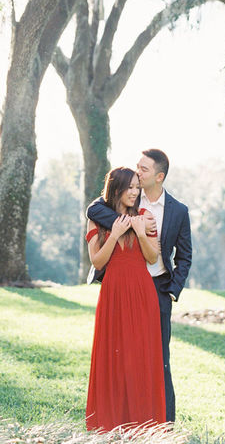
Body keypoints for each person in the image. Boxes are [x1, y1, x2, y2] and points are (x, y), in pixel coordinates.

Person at [87, 148, 192, 423]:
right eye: (135, 172)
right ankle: (115, 418)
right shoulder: (117, 204)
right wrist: (125, 227)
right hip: (118, 286)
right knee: (116, 355)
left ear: (159, 176)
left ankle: (161, 423)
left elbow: (182, 255)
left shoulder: (176, 210)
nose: (138, 176)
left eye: (143, 171)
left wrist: (172, 289)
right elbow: (95, 209)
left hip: (156, 287)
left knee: (157, 359)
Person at [85, 166, 166, 431]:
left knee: (139, 358)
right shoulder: (97, 219)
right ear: (116, 188)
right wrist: (115, 235)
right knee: (112, 357)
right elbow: (97, 261)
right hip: (112, 293)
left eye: (137, 187)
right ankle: (110, 424)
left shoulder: (145, 216)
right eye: (129, 187)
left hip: (142, 293)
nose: (135, 192)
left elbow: (152, 258)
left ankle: (143, 426)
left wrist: (141, 233)